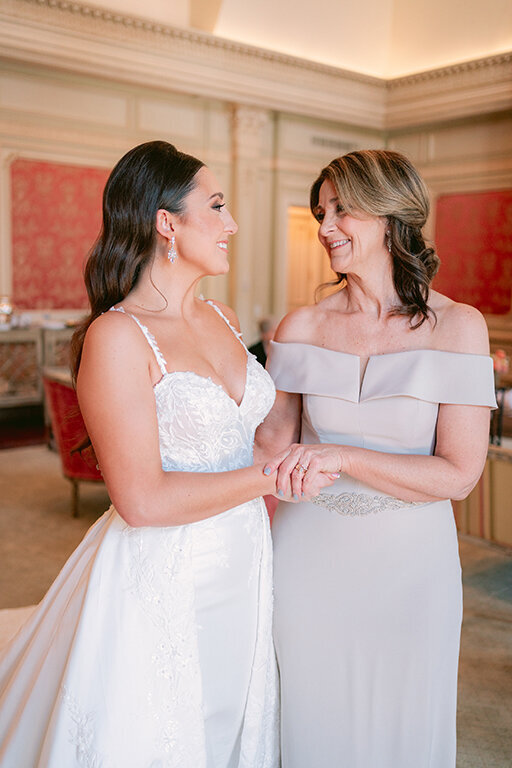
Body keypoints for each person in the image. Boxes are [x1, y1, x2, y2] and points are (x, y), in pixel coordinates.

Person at [0, 141, 335, 767]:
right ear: (166, 222)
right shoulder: (117, 336)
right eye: (216, 205)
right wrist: (268, 478)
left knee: (231, 708)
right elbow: (143, 500)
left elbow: (259, 432)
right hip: (164, 570)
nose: (232, 223)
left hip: (245, 556)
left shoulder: (227, 318)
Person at [256, 149, 496, 768]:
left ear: (391, 218)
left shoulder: (458, 327)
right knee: (312, 712)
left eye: (342, 210)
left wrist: (340, 453)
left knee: (406, 717)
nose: (325, 226)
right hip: (307, 556)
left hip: (412, 567)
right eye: (321, 211)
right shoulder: (301, 325)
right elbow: (269, 450)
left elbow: (460, 473)